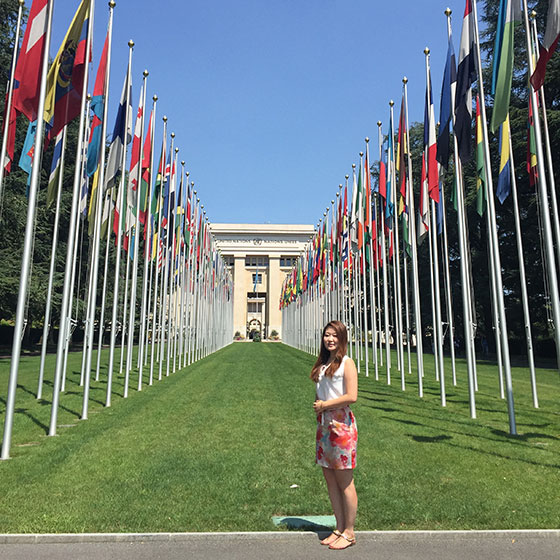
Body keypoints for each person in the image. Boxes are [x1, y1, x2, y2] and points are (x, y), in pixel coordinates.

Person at [311, 320, 358, 550]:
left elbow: (352, 396)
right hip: (324, 427)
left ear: (342, 339)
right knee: (330, 479)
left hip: (341, 427)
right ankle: (339, 527)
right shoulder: (324, 363)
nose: (330, 339)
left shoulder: (347, 363)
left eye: (334, 336)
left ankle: (349, 532)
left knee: (344, 481)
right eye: (327, 335)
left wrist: (325, 405)